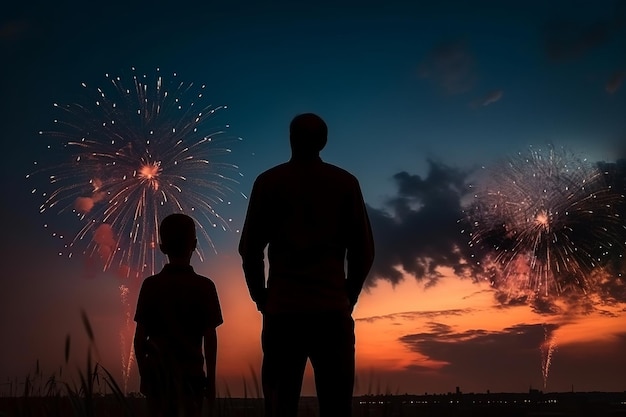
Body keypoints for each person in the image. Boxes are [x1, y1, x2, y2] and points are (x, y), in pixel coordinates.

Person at [239, 113, 375, 417]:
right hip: (331, 312)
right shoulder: (345, 183)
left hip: (283, 313)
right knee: (338, 407)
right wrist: (347, 296)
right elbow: (363, 251)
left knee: (279, 405)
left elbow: (249, 250)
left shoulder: (269, 182)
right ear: (324, 142)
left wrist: (261, 297)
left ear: (290, 139)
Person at [134, 213, 223, 417]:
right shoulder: (205, 286)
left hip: (158, 380)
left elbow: (139, 338)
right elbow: (210, 338)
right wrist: (211, 380)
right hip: (192, 378)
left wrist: (144, 376)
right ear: (195, 244)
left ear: (162, 246)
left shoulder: (151, 285)